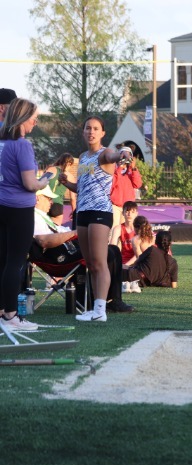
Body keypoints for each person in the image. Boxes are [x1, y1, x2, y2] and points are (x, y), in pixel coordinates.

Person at [58, 116, 134, 322]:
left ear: (102, 133)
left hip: (100, 212)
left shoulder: (105, 153)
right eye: (88, 128)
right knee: (90, 264)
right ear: (83, 131)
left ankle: (101, 310)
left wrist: (124, 152)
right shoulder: (83, 157)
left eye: (95, 128)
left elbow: (116, 155)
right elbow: (82, 187)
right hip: (82, 212)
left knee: (100, 262)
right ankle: (94, 308)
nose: (91, 132)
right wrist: (67, 183)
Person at [30, 186, 134, 313]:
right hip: (57, 257)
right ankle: (99, 300)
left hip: (65, 250)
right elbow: (43, 241)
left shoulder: (43, 217)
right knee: (106, 253)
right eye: (48, 198)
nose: (51, 202)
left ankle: (114, 299)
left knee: (114, 250)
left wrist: (78, 233)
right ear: (37, 198)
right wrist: (76, 233)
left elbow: (59, 232)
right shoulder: (34, 216)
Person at [0, 98, 50, 331]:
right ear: (22, 118)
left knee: (2, 260)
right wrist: (44, 181)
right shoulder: (22, 145)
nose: (35, 122)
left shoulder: (2, 143)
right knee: (14, 262)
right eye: (34, 118)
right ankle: (10, 316)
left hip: (2, 205)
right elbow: (30, 184)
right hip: (18, 209)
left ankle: (3, 311)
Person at [109, 144, 143, 245]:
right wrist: (119, 168)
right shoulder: (114, 170)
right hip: (115, 206)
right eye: (123, 156)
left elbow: (137, 184)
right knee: (114, 230)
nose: (125, 159)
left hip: (128, 207)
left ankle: (124, 251)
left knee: (126, 231)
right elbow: (112, 184)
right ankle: (113, 251)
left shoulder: (132, 171)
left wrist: (133, 168)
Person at [44, 153, 77, 218]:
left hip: (45, 203)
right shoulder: (70, 176)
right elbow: (72, 198)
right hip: (57, 205)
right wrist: (74, 212)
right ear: (69, 164)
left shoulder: (51, 169)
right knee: (56, 224)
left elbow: (40, 183)